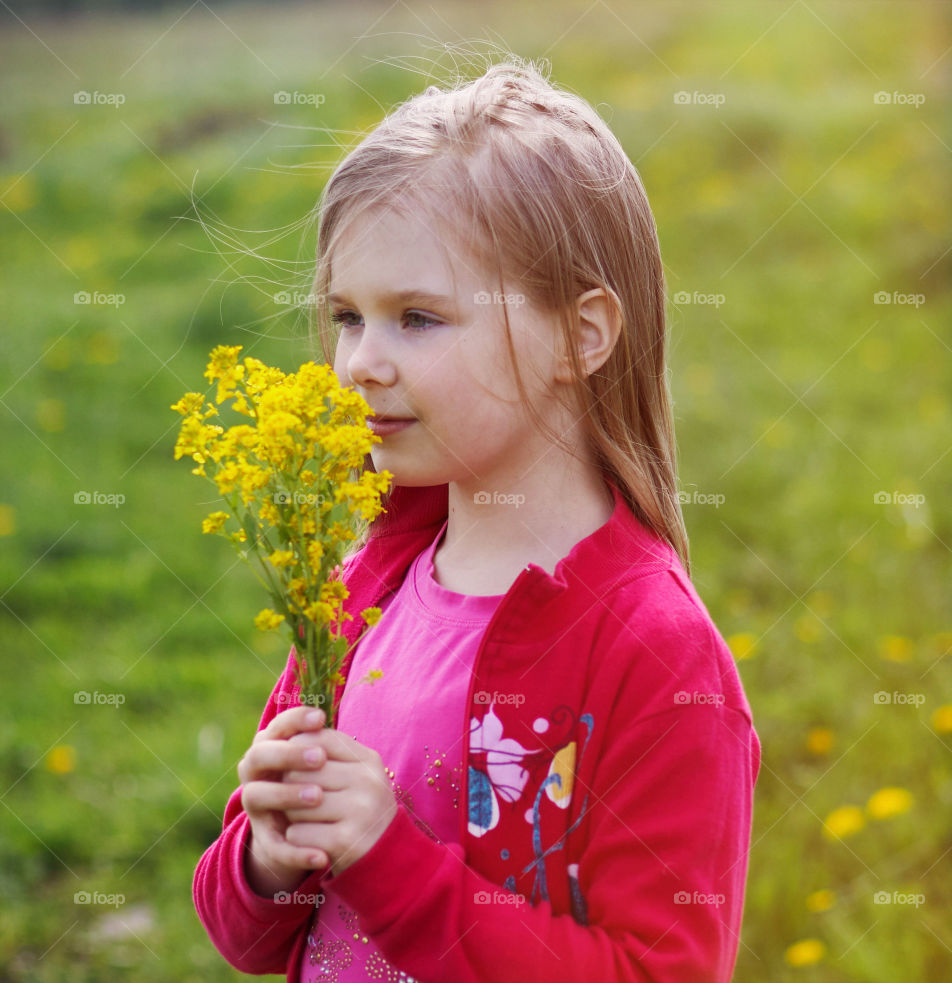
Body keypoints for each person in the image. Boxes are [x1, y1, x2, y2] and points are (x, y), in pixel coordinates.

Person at [193, 55, 761, 983]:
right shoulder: (360, 593)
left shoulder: (655, 653)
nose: (361, 363)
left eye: (417, 317)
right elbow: (247, 935)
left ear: (582, 335)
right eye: (347, 316)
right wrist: (265, 855)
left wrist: (388, 859)